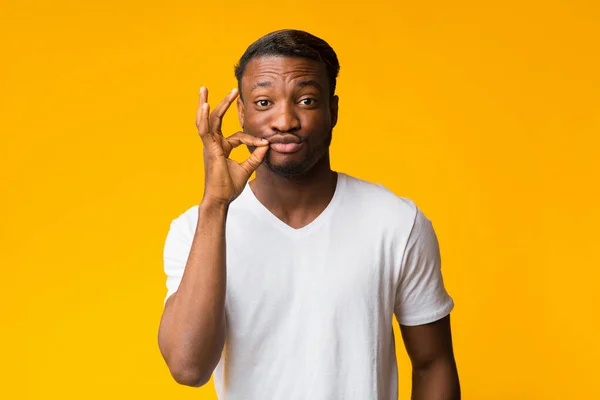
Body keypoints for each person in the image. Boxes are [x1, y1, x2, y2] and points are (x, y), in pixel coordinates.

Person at [158, 29, 460, 400]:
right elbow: (188, 368)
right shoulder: (196, 228)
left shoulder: (395, 222)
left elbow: (433, 363)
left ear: (333, 110)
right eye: (264, 102)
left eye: (306, 100)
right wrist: (216, 206)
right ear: (241, 113)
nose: (285, 120)